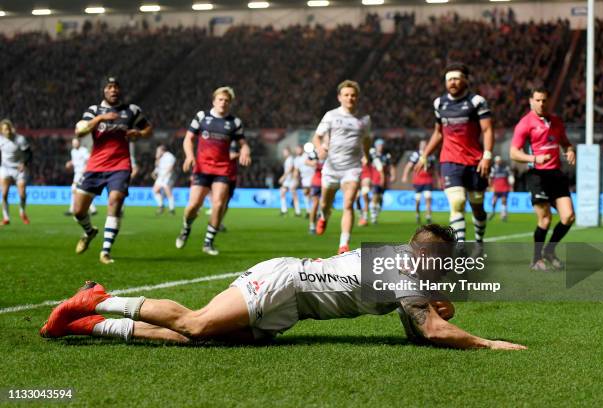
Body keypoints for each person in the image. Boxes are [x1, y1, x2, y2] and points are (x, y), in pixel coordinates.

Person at [40, 224, 526, 350]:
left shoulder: (398, 264)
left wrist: (433, 308)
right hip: (283, 283)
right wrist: (488, 342)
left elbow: (419, 322)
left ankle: (89, 323)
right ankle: (102, 298)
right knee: (196, 321)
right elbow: (431, 332)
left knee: (199, 341)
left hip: (292, 305)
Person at [72, 76, 153, 264]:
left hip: (120, 165)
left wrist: (139, 133)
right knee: (78, 211)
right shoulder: (93, 111)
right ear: (104, 90)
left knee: (115, 201)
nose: (113, 90)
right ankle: (89, 232)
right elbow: (79, 131)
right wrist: (100, 118)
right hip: (95, 166)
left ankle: (105, 251)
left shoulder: (131, 110)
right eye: (109, 87)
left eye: (116, 87)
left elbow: (148, 129)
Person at [414, 63, 494, 244]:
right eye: (449, 79)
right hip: (450, 161)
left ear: (465, 80)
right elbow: (438, 132)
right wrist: (425, 154)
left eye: (456, 78)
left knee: (477, 207)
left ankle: (479, 240)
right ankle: (460, 248)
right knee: (457, 202)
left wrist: (487, 155)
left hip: (475, 162)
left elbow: (488, 130)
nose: (452, 82)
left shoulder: (477, 102)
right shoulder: (439, 103)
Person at [175, 86, 251, 255]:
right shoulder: (202, 117)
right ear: (214, 101)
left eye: (226, 100)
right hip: (202, 168)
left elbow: (243, 143)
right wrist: (189, 156)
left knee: (218, 204)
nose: (223, 103)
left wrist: (245, 150)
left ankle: (208, 242)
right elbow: (188, 139)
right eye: (220, 99)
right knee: (193, 205)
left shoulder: (234, 122)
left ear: (230, 103)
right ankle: (186, 228)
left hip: (222, 169)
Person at [510, 87, 575, 271]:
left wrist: (570, 151)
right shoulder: (525, 123)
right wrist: (534, 158)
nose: (541, 103)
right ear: (531, 101)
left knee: (568, 216)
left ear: (549, 101)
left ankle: (549, 251)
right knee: (545, 218)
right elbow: (514, 152)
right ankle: (536, 259)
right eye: (537, 100)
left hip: (556, 174)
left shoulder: (556, 121)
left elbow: (565, 143)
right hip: (537, 175)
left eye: (544, 100)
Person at [313, 80, 372, 254]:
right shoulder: (331, 116)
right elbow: (317, 137)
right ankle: (323, 216)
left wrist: (366, 155)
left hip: (352, 168)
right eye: (346, 95)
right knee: (325, 203)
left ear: (357, 98)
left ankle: (343, 244)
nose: (350, 98)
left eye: (353, 95)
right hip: (331, 167)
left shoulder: (364, 120)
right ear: (340, 97)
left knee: (348, 204)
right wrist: (320, 147)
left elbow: (367, 140)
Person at [0, 119, 32, 225]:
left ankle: (22, 212)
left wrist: (24, 163)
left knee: (22, 194)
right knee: (4, 194)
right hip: (5, 168)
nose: (7, 131)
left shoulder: (20, 139)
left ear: (11, 129)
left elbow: (28, 153)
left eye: (8, 128)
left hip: (19, 169)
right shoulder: (1, 140)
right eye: (5, 129)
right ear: (1, 131)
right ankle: (6, 218)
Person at [402, 140, 436, 225]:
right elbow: (409, 165)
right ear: (420, 146)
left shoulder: (431, 155)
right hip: (418, 181)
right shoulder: (416, 155)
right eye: (422, 144)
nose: (424, 146)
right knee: (417, 200)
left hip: (428, 180)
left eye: (425, 144)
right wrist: (405, 175)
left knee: (428, 198)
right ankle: (417, 214)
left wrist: (438, 179)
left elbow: (434, 169)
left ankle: (428, 217)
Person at [65, 138, 97, 216]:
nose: (74, 144)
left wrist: (86, 169)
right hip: (77, 173)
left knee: (74, 188)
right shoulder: (73, 151)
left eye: (75, 143)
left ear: (79, 143)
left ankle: (72, 209)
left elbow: (89, 160)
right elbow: (75, 161)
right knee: (82, 191)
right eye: (73, 143)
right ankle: (93, 209)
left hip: (83, 173)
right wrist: (70, 163)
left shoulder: (84, 151)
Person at [369, 139, 394, 224]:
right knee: (375, 196)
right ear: (376, 146)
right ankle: (373, 216)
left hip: (385, 179)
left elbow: (391, 166)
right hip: (375, 179)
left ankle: (377, 210)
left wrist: (393, 175)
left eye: (382, 145)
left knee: (381, 197)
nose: (381, 147)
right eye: (379, 145)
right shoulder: (372, 154)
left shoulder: (386, 156)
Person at [152, 144, 177, 215]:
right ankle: (161, 206)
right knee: (155, 190)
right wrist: (157, 158)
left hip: (168, 176)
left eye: (158, 150)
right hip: (161, 176)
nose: (157, 152)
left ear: (162, 150)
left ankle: (172, 209)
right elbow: (157, 166)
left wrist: (165, 175)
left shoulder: (170, 156)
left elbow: (171, 167)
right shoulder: (160, 157)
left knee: (168, 192)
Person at [488, 156, 514, 222]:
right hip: (497, 187)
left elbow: (510, 176)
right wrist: (490, 186)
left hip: (504, 187)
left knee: (504, 200)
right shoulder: (493, 168)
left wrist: (511, 185)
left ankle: (503, 214)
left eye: (499, 160)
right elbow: (491, 177)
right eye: (497, 161)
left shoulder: (506, 168)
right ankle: (492, 212)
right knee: (494, 200)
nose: (498, 162)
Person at [293, 144, 315, 218]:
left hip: (312, 175)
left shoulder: (307, 155)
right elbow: (296, 170)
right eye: (296, 150)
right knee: (306, 193)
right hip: (304, 178)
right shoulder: (296, 159)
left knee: (313, 194)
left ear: (302, 149)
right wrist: (295, 179)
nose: (297, 151)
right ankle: (308, 211)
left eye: (298, 149)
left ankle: (316, 211)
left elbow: (315, 163)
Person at [279, 147, 300, 216]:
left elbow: (291, 169)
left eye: (285, 152)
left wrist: (283, 177)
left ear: (288, 152)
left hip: (291, 180)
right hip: (287, 180)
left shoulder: (290, 159)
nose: (284, 153)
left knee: (294, 195)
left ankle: (297, 211)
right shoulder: (287, 159)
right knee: (282, 192)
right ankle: (284, 210)